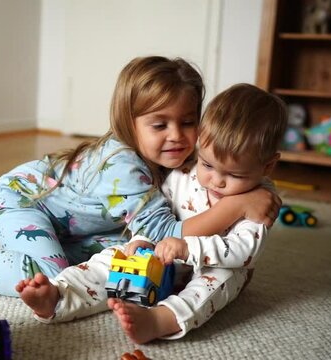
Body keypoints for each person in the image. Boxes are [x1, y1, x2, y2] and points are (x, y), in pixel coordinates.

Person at [0, 57, 280, 297]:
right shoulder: (124, 164)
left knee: (124, 261)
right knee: (52, 282)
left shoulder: (187, 155)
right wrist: (238, 204)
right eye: (160, 125)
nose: (177, 136)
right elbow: (166, 231)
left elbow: (220, 173)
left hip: (79, 227)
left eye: (188, 122)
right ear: (130, 123)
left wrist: (252, 186)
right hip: (20, 201)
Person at [16, 83, 287, 344]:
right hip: (161, 253)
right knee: (115, 258)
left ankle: (160, 320)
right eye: (207, 164)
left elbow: (244, 251)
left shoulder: (258, 200)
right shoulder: (183, 173)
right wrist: (142, 239)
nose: (216, 181)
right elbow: (158, 210)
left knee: (219, 281)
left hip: (208, 263)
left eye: (234, 175)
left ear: (267, 166)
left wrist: (186, 248)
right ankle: (59, 295)